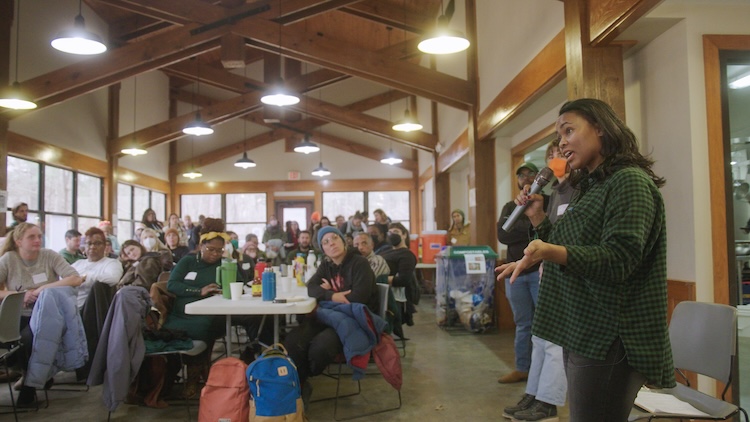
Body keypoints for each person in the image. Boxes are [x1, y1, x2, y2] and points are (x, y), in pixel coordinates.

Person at [497, 98, 674, 421]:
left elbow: (619, 259)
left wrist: (547, 251)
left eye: (568, 131)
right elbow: (569, 244)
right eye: (558, 135)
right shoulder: (590, 186)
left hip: (612, 334)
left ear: (601, 129)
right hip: (583, 326)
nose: (562, 143)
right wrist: (538, 220)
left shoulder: (629, 182)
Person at [503, 139, 574, 421]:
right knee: (541, 337)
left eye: (561, 153)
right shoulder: (555, 191)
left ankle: (547, 403)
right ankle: (534, 393)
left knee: (556, 342)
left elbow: (570, 242)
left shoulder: (580, 190)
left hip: (569, 275)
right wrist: (535, 216)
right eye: (551, 154)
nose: (556, 158)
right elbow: (550, 235)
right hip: (549, 272)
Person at [283, 226, 378, 406]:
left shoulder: (359, 263)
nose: (331, 243)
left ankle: (306, 377)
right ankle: (301, 386)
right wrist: (333, 295)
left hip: (352, 321)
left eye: (334, 238)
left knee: (319, 348)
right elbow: (311, 288)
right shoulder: (326, 265)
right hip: (329, 316)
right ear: (323, 249)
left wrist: (326, 294)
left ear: (343, 241)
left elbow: (358, 298)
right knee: (292, 341)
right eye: (325, 242)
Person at [0, 223, 83, 406]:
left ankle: (30, 388)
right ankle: (33, 375)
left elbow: (75, 278)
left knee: (29, 340)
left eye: (39, 236)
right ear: (18, 241)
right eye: (32, 237)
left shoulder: (49, 256)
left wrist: (43, 289)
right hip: (17, 315)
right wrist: (18, 296)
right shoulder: (8, 259)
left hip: (47, 316)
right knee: (12, 343)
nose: (38, 240)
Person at [162, 218, 235, 398]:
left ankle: (194, 377)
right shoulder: (188, 261)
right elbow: (172, 285)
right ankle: (167, 381)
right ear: (201, 245)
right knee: (172, 332)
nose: (215, 254)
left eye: (220, 250)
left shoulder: (225, 263)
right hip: (181, 313)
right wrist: (197, 291)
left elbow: (239, 284)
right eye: (211, 249)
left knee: (203, 327)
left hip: (211, 313)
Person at [496, 161, 549, 384]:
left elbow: (545, 235)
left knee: (545, 324)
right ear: (517, 180)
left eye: (530, 174)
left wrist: (527, 225)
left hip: (541, 273)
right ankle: (522, 368)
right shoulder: (510, 206)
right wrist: (529, 227)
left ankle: (546, 373)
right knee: (523, 324)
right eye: (521, 175)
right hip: (514, 274)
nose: (526, 178)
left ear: (538, 177)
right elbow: (503, 235)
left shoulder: (546, 201)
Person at [71, 227, 124, 309]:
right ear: (84, 247)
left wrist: (84, 278)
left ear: (104, 246)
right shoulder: (77, 264)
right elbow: (64, 280)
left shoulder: (112, 263)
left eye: (97, 243)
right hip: (68, 305)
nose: (92, 247)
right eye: (89, 243)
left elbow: (113, 278)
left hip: (89, 310)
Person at [380, 223, 418, 326]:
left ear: (404, 235)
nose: (392, 235)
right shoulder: (386, 250)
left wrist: (380, 279)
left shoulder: (407, 255)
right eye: (390, 232)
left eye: (396, 232)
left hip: (390, 294)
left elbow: (403, 280)